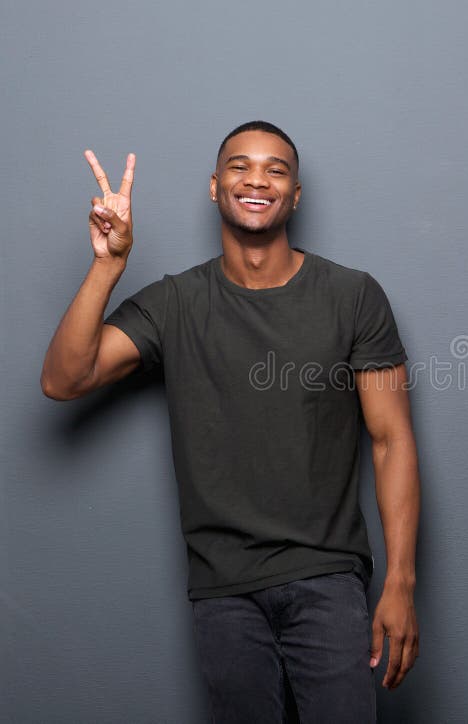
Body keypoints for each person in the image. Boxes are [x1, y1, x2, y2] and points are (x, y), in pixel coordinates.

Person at [40, 120, 421, 723]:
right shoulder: (174, 304)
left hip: (327, 576)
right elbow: (64, 379)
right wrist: (108, 267)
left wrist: (399, 583)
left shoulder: (353, 296)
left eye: (276, 169)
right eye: (241, 166)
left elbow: (391, 440)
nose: (257, 180)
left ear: (295, 195)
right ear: (215, 186)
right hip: (223, 590)